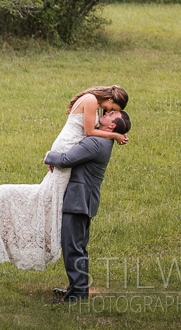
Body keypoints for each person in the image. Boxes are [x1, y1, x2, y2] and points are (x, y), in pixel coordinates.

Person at [0, 85, 128, 272]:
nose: (109, 110)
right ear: (111, 99)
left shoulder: (95, 112)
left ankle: (43, 236)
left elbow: (87, 136)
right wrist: (114, 134)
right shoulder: (91, 101)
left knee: (49, 199)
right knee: (48, 198)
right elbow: (88, 133)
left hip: (68, 156)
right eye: (113, 108)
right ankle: (40, 234)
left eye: (112, 113)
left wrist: (53, 156)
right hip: (67, 148)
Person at [45, 108, 131, 304]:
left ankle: (75, 297)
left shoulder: (96, 143)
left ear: (111, 125)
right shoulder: (104, 139)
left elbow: (66, 160)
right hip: (84, 200)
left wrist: (49, 155)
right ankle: (78, 290)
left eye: (111, 114)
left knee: (72, 248)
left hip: (78, 201)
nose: (107, 112)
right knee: (78, 247)